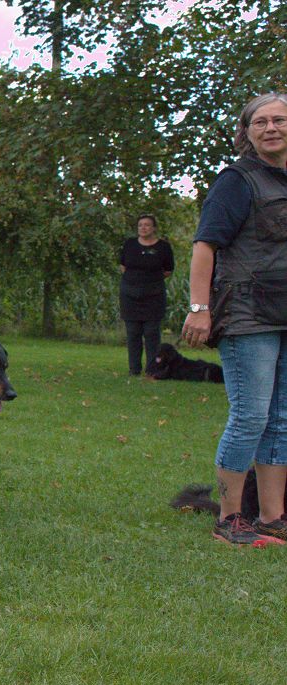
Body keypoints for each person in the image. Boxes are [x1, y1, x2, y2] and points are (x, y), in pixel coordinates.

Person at [183, 92, 287, 547]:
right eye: (260, 122)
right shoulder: (237, 180)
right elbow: (205, 245)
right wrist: (199, 309)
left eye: (279, 120)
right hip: (247, 314)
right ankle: (229, 519)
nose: (271, 128)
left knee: (282, 420)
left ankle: (271, 517)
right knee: (250, 416)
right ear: (246, 132)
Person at [118, 214, 174, 376]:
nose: (143, 228)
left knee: (151, 333)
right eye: (140, 225)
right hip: (130, 295)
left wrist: (150, 281)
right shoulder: (130, 245)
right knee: (133, 332)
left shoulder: (163, 247)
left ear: (154, 228)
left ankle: (152, 369)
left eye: (147, 225)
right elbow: (123, 266)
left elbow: (168, 270)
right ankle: (134, 369)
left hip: (153, 296)